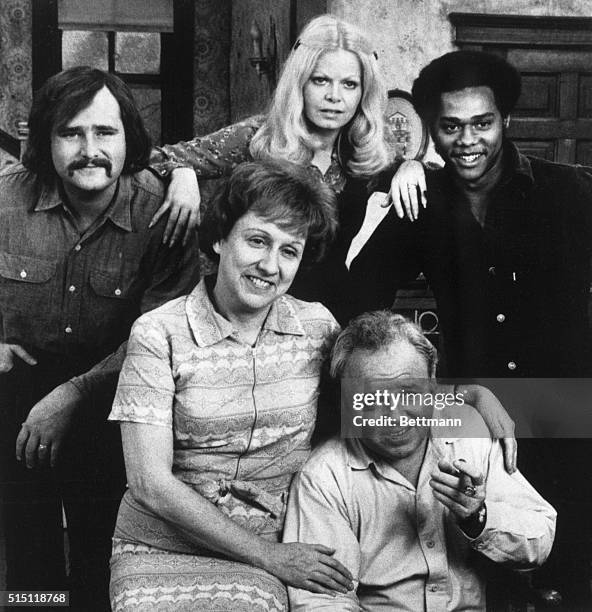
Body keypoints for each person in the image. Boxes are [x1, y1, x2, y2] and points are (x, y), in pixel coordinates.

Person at [348, 50, 592, 605]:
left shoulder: (570, 192)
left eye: (482, 123)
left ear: (505, 120)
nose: (467, 140)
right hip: (472, 415)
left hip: (569, 410)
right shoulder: (421, 200)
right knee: (486, 576)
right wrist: (391, 180)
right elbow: (356, 300)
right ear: (432, 129)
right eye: (450, 126)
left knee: (572, 571)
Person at [107, 159, 353, 612]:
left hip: (280, 545)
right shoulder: (158, 332)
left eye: (289, 251)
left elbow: (381, 409)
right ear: (220, 238)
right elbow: (150, 484)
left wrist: (476, 398)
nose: (269, 265)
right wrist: (270, 557)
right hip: (162, 547)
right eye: (257, 241)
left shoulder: (318, 328)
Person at [0, 67, 200, 610]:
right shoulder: (5, 202)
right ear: (45, 140)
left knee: (102, 546)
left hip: (119, 389)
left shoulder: (165, 214)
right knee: (27, 545)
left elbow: (160, 335)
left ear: (130, 139)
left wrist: (71, 395)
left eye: (105, 132)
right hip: (15, 387)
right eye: (71, 133)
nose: (90, 150)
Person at [148, 14, 426, 320]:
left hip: (336, 314)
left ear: (363, 92)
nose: (334, 97)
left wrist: (412, 167)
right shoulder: (258, 136)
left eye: (349, 84)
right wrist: (182, 172)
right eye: (320, 80)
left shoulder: (364, 147)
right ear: (300, 83)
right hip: (260, 312)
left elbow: (415, 174)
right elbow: (152, 158)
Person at [284, 311, 556, 611]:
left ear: (432, 383)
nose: (395, 415)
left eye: (409, 393)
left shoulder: (470, 431)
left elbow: (540, 541)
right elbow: (322, 603)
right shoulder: (323, 477)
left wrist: (478, 518)